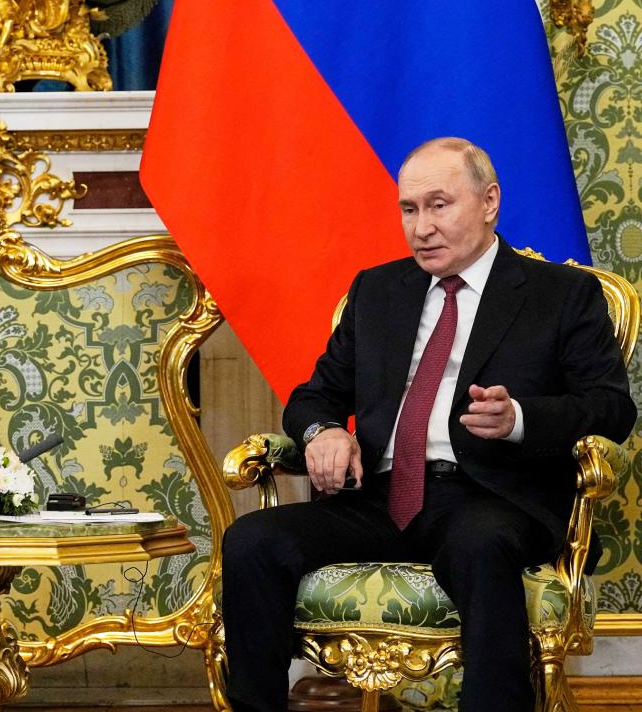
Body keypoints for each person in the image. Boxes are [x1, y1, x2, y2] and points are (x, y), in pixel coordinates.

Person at [220, 137, 636, 710]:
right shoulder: (377, 290)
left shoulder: (561, 295)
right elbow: (314, 396)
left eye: (440, 205)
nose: (421, 228)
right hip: (378, 496)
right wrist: (324, 432)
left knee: (480, 545)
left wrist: (519, 418)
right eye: (409, 209)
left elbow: (612, 408)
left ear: (489, 202)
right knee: (252, 540)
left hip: (490, 496)